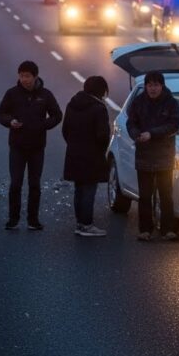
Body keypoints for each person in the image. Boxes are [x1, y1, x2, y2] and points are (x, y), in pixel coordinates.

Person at [0, 60, 62, 230]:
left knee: (34, 184)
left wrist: (43, 125)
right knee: (16, 183)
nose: (24, 79)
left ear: (35, 76)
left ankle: (33, 220)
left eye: (27, 76)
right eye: (21, 76)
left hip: (37, 147)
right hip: (17, 146)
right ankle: (13, 219)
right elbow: (0, 113)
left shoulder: (45, 95)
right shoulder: (12, 94)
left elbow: (57, 115)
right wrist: (10, 121)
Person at [126, 71, 179, 241]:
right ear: (146, 86)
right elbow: (131, 122)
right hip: (144, 155)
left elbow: (174, 124)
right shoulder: (138, 102)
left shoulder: (171, 103)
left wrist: (152, 133)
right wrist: (136, 134)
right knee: (145, 195)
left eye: (156, 85)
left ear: (162, 86)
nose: (153, 88)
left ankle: (167, 229)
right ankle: (145, 230)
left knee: (165, 194)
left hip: (164, 155)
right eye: (150, 85)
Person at [62, 76, 111, 237]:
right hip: (92, 155)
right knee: (89, 189)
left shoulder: (72, 104)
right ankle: (87, 224)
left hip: (74, 153)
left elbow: (65, 130)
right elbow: (103, 135)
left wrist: (74, 144)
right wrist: (100, 151)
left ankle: (79, 222)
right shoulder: (99, 108)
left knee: (79, 188)